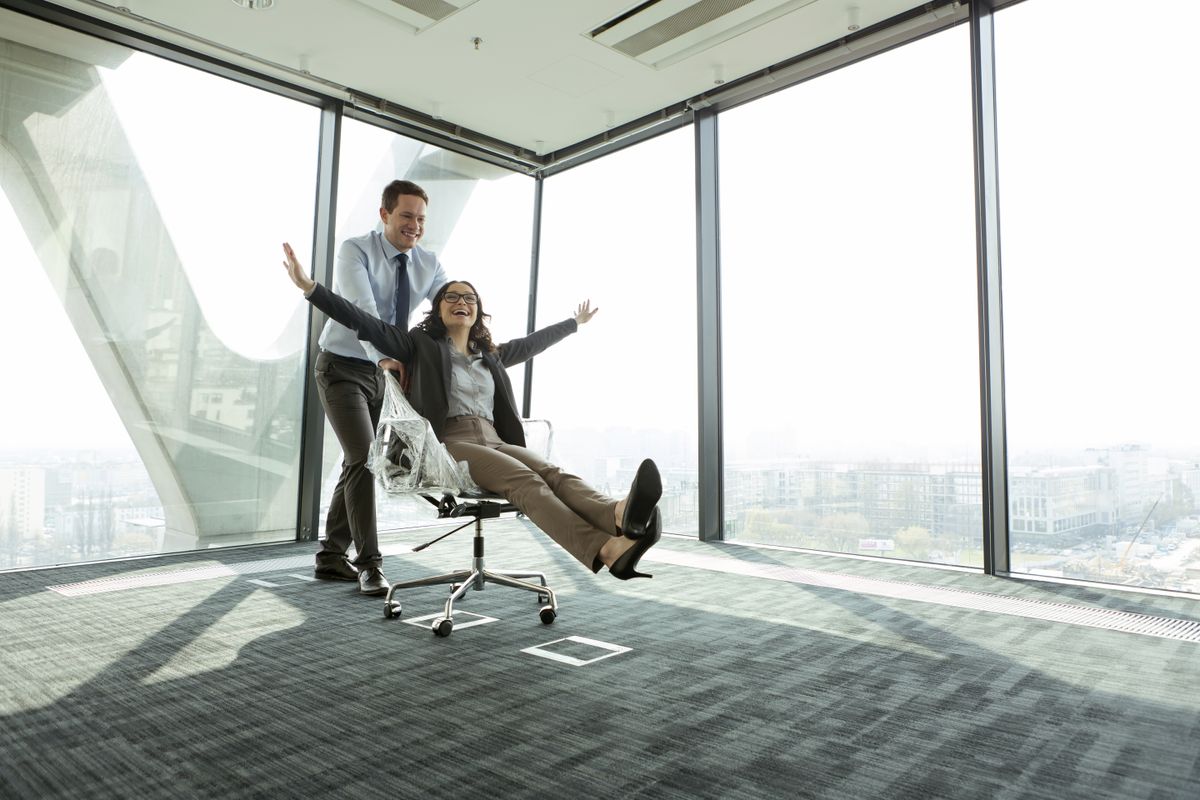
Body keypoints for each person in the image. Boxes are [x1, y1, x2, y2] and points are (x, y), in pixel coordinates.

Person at [282, 243, 664, 580]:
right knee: (525, 482)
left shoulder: (491, 357)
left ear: (478, 311)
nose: (461, 301)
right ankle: (606, 549)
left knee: (551, 473)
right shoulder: (419, 346)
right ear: (438, 308)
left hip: (494, 440)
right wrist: (311, 289)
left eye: (469, 298)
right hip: (450, 445)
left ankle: (617, 514)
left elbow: (532, 344)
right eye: (451, 296)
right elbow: (362, 321)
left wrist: (573, 324)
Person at [313, 180, 448, 596]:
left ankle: (331, 556)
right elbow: (363, 313)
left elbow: (446, 312)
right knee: (363, 457)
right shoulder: (355, 250)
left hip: (384, 375)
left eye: (421, 218)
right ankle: (369, 564)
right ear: (385, 214)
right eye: (406, 216)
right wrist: (384, 358)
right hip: (342, 367)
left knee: (358, 461)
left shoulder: (428, 263)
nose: (415, 226)